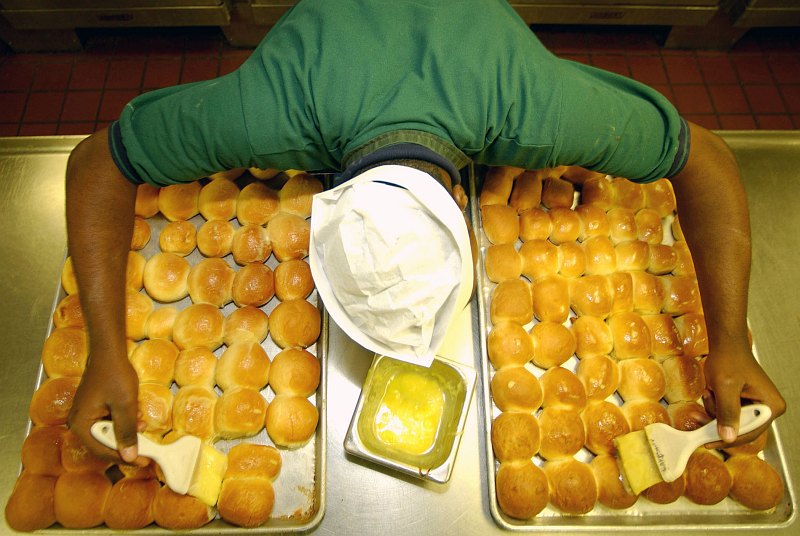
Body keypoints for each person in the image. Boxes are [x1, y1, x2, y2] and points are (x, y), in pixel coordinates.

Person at [65, 0, 784, 465]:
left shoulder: (532, 107)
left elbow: (707, 160)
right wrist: (105, 346)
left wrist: (728, 341)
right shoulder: (270, 110)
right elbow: (99, 160)